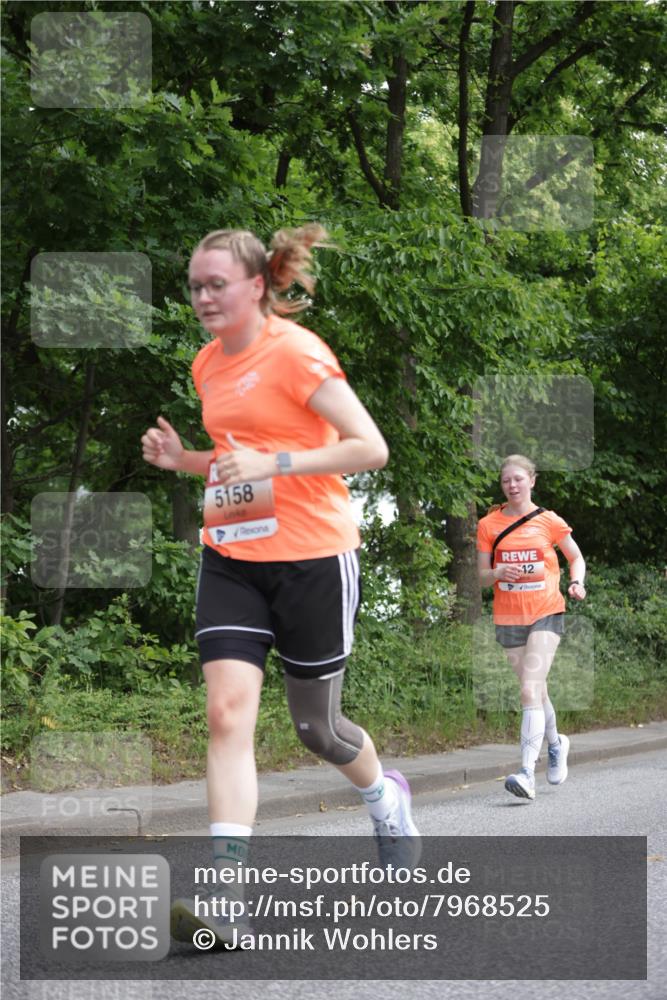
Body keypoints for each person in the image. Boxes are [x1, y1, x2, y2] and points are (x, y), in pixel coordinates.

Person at [141, 223, 420, 946]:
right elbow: (234, 460)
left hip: (312, 557)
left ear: (257, 285)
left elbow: (369, 448)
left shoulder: (295, 354)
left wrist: (277, 464)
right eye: (194, 285)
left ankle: (385, 802)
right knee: (226, 717)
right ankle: (227, 901)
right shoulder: (208, 364)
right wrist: (184, 461)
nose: (202, 297)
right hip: (231, 555)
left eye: (216, 284)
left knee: (315, 730)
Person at [476, 454, 586, 801]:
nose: (512, 485)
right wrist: (495, 574)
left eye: (518, 479)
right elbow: (480, 576)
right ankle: (556, 744)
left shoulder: (549, 521)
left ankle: (526, 773)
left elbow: (575, 557)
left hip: (546, 612)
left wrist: (577, 582)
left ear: (532, 481)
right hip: (508, 618)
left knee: (529, 689)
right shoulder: (488, 525)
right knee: (536, 691)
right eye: (506, 480)